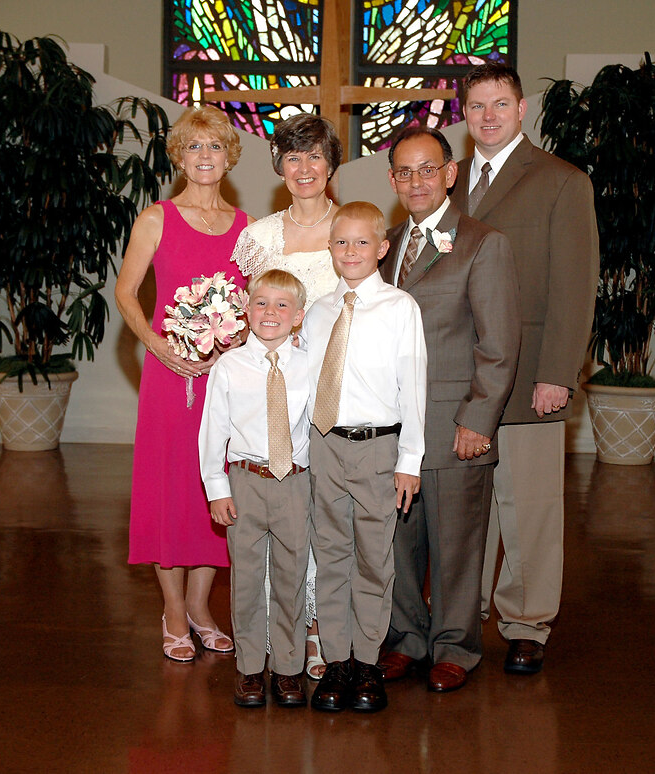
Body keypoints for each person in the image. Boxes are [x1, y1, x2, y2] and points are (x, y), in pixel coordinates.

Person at [450, 63, 599, 675]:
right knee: (467, 505)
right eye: (477, 106)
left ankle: (528, 621)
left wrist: (558, 371)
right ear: (464, 114)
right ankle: (465, 612)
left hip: (531, 370)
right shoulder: (448, 181)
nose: (488, 116)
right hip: (461, 375)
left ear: (522, 109)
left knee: (528, 504)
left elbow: (574, 285)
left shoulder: (562, 181)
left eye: (500, 104)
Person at [377, 126, 520, 693]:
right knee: (397, 542)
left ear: (450, 174)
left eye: (427, 169)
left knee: (456, 546)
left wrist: (477, 420)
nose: (416, 181)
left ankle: (455, 646)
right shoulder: (384, 244)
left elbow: (499, 343)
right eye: (404, 172)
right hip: (391, 428)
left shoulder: (483, 243)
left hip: (452, 423)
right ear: (392, 180)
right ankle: (405, 640)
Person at [116, 106, 250, 662]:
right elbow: (126, 294)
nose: (204, 156)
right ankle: (173, 610)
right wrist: (157, 344)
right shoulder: (156, 218)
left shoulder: (246, 227)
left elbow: (254, 301)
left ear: (229, 156)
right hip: (170, 377)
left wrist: (235, 342)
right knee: (171, 487)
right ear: (179, 156)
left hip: (225, 378)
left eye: (214, 146)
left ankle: (200, 606)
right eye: (193, 147)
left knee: (215, 488)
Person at [230, 112, 344, 679]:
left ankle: (322, 628)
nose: (304, 168)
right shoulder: (258, 239)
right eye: (293, 157)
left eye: (315, 156)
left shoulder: (351, 230)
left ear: (332, 164)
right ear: (278, 165)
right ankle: (280, 632)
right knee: (278, 515)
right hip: (277, 398)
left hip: (339, 395)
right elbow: (244, 316)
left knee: (325, 516)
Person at [304, 201, 427, 712]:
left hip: (378, 448)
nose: (350, 251)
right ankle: (337, 661)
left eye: (361, 242)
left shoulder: (399, 308)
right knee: (331, 555)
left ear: (382, 248)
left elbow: (413, 387)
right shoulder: (317, 311)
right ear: (329, 248)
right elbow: (306, 386)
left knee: (374, 558)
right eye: (341, 242)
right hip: (324, 445)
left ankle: (368, 662)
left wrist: (410, 459)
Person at [199, 269, 312, 708]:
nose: (271, 312)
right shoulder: (229, 367)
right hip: (245, 481)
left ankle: (287, 669)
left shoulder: (309, 365)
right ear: (246, 309)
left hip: (294, 484)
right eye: (261, 303)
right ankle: (249, 668)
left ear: (298, 316)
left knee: (291, 577)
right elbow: (213, 430)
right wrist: (216, 487)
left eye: (283, 305)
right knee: (246, 579)